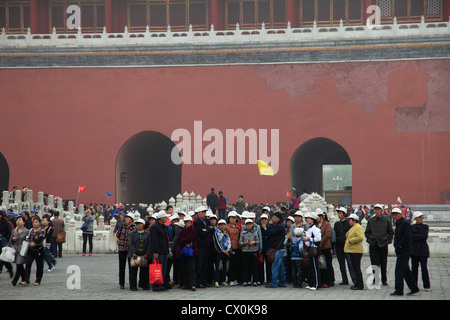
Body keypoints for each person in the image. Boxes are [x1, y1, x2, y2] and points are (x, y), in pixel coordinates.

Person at [390, 208, 420, 296]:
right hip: (401, 250)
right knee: (406, 271)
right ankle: (414, 288)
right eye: (393, 214)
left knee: (399, 271)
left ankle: (399, 290)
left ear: (400, 214)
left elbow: (407, 236)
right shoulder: (399, 223)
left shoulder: (405, 223)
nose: (394, 216)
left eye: (396, 214)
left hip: (404, 250)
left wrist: (399, 245)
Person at [365, 203, 394, 286]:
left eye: (378, 210)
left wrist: (387, 241)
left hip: (383, 245)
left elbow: (391, 233)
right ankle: (375, 279)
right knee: (374, 263)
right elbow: (367, 232)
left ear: (382, 211)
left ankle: (384, 280)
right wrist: (370, 240)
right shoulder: (371, 221)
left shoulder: (386, 221)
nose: (377, 211)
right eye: (376, 210)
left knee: (383, 263)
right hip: (374, 244)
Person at [334, 206, 356, 286]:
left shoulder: (348, 223)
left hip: (347, 245)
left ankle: (354, 280)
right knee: (341, 264)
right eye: (338, 213)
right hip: (338, 246)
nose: (339, 214)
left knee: (350, 263)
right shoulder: (337, 224)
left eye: (340, 213)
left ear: (344, 214)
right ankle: (344, 279)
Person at [149, 210, 170, 291]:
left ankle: (161, 284)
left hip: (164, 251)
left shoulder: (163, 226)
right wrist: (155, 252)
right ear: (161, 218)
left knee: (163, 269)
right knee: (157, 269)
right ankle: (156, 285)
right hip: (158, 252)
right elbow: (154, 241)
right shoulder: (154, 227)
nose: (166, 218)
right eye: (165, 217)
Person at [194, 206, 214, 288]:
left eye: (204, 212)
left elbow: (212, 230)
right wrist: (207, 230)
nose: (203, 214)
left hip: (206, 244)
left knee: (206, 264)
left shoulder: (207, 221)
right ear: (198, 213)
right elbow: (199, 232)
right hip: (200, 245)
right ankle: (198, 281)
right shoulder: (196, 222)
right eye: (202, 212)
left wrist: (206, 230)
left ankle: (204, 281)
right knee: (200, 264)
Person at [176, 215, 198, 291]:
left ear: (191, 222)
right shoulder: (183, 230)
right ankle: (186, 284)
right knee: (184, 268)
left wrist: (184, 239)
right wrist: (185, 240)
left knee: (191, 268)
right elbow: (179, 240)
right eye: (185, 222)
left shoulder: (193, 230)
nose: (186, 223)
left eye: (188, 222)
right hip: (184, 252)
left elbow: (190, 238)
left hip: (191, 251)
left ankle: (192, 284)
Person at [265, 212, 286, 288]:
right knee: (280, 267)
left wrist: (269, 226)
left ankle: (273, 282)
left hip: (278, 248)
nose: (272, 219)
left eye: (274, 217)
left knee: (275, 267)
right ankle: (283, 282)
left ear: (278, 218)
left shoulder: (280, 226)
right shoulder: (279, 225)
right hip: (279, 248)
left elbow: (272, 232)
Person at [128, 218, 150, 291]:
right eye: (137, 224)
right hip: (134, 254)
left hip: (144, 254)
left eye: (140, 224)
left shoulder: (147, 233)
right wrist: (134, 252)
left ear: (143, 225)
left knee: (144, 271)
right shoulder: (132, 233)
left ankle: (144, 285)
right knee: (133, 271)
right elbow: (131, 244)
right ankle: (133, 286)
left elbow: (149, 245)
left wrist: (147, 253)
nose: (139, 225)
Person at [410, 211, 430, 292]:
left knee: (424, 268)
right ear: (415, 218)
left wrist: (416, 236)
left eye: (422, 217)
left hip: (423, 250)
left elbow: (424, 237)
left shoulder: (425, 227)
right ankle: (414, 285)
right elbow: (411, 237)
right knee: (414, 269)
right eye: (419, 217)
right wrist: (419, 236)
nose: (421, 219)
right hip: (414, 251)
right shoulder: (411, 227)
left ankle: (426, 285)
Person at [344, 213, 364, 290]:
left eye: (350, 220)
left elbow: (360, 237)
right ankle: (357, 284)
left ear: (354, 220)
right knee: (355, 268)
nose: (349, 221)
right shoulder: (353, 227)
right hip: (352, 251)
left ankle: (360, 285)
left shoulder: (358, 227)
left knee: (357, 268)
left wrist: (350, 241)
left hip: (356, 251)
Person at [23, 216, 46, 285]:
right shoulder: (31, 230)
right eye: (34, 222)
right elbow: (27, 237)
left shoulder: (42, 231)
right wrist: (27, 240)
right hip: (30, 250)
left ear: (39, 223)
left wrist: (34, 242)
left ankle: (38, 280)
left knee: (39, 265)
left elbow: (41, 238)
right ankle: (26, 280)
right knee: (28, 264)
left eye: (36, 222)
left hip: (38, 250)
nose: (35, 224)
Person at [116, 212, 136, 289]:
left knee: (131, 267)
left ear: (132, 220)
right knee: (122, 266)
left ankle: (132, 283)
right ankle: (122, 283)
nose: (126, 219)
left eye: (128, 218)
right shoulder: (122, 226)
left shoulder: (134, 228)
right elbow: (118, 235)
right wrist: (119, 243)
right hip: (122, 249)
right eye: (126, 218)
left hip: (130, 250)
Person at [303, 211, 321, 291]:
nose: (307, 220)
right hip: (310, 248)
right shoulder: (310, 228)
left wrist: (309, 239)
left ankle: (316, 284)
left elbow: (318, 238)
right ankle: (311, 283)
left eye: (308, 218)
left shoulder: (316, 228)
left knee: (314, 266)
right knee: (310, 267)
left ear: (313, 219)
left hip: (314, 248)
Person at [239, 219, 260, 286]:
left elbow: (258, 241)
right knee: (245, 267)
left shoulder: (255, 232)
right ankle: (246, 280)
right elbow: (240, 242)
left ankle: (255, 280)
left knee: (254, 267)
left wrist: (254, 242)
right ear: (245, 225)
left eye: (250, 224)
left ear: (252, 225)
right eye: (247, 224)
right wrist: (244, 243)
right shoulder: (243, 233)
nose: (249, 226)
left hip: (253, 250)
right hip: (245, 251)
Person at [317, 210, 334, 288]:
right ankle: (322, 280)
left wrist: (320, 241)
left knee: (327, 264)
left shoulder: (326, 224)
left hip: (326, 247)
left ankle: (329, 281)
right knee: (321, 264)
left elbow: (327, 235)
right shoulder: (316, 225)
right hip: (318, 247)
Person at [10, 216, 29, 286]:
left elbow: (28, 239)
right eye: (17, 220)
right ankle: (25, 279)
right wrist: (13, 239)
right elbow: (10, 240)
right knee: (19, 265)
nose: (18, 221)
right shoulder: (14, 231)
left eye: (20, 220)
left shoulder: (27, 231)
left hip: (23, 249)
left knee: (19, 264)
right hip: (15, 249)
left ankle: (15, 280)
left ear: (23, 222)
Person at [213, 219, 231, 287]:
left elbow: (229, 242)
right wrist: (223, 251)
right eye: (221, 225)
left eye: (224, 225)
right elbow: (217, 243)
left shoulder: (226, 234)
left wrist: (228, 249)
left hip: (226, 252)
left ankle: (223, 280)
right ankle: (216, 281)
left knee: (225, 267)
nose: (223, 226)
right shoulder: (216, 233)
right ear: (218, 225)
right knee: (218, 267)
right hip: (219, 253)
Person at [0, 211, 14, 278]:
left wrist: (6, 239)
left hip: (3, 242)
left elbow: (9, 232)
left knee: (3, 258)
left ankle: (10, 268)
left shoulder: (6, 223)